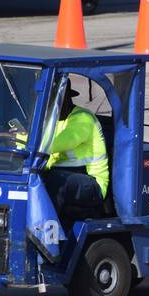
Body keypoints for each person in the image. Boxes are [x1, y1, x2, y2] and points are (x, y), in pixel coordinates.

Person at [41, 86, 109, 218]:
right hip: (66, 175)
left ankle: (47, 230)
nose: (51, 103)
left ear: (66, 98)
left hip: (92, 182)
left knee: (55, 181)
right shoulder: (53, 121)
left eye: (55, 98)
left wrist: (23, 140)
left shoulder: (83, 118)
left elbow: (64, 142)